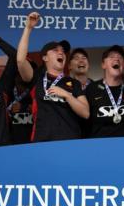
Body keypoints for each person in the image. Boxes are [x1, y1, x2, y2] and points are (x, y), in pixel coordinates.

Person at [17, 12, 89, 142]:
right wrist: (28, 29)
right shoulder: (36, 78)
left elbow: (85, 112)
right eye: (55, 50)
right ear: (45, 57)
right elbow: (21, 61)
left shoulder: (73, 83)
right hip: (42, 141)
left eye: (63, 51)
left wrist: (67, 95)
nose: (61, 52)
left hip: (70, 142)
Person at [85, 45, 124, 137]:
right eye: (111, 57)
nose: (116, 59)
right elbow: (86, 124)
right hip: (100, 148)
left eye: (120, 57)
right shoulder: (92, 89)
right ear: (103, 64)